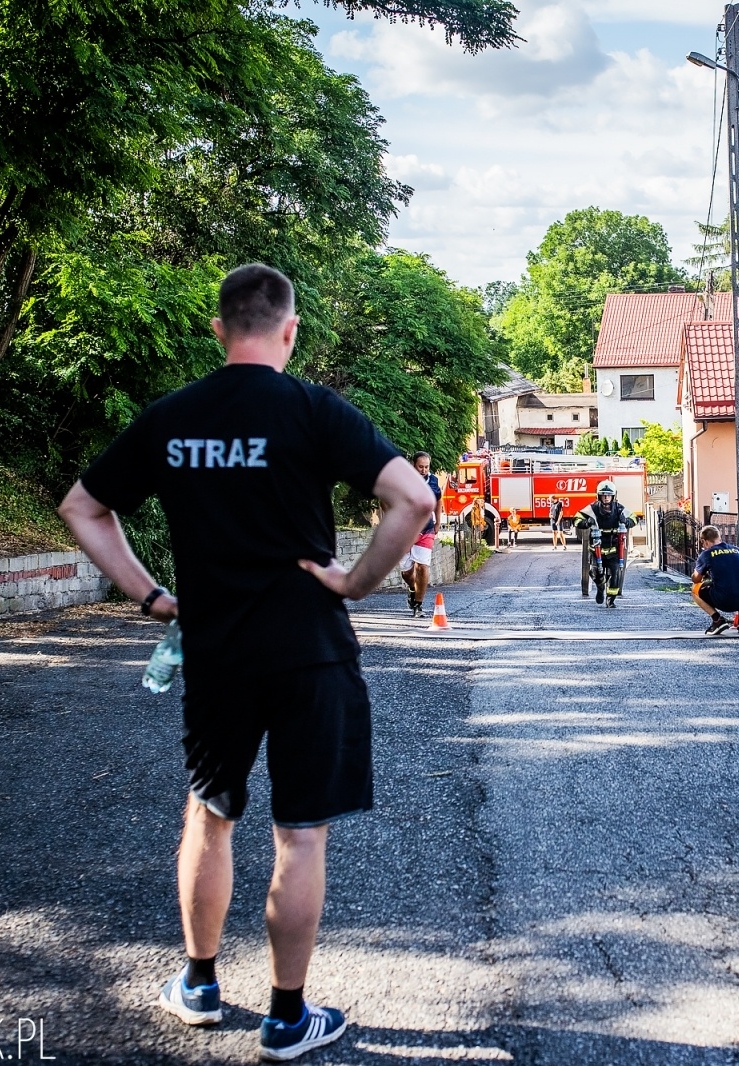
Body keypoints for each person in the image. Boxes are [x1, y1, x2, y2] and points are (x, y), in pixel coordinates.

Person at [57, 264, 434, 1062]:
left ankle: (199, 986)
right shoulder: (314, 410)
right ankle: (286, 1018)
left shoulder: (173, 417)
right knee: (300, 836)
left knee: (209, 813)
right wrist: (354, 583)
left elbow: (82, 506)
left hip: (217, 653)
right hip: (311, 653)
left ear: (219, 329)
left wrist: (152, 597)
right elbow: (413, 500)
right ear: (290, 330)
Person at [573, 480, 636, 607]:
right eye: (603, 495)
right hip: (596, 548)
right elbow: (576, 519)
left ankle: (610, 600)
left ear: (613, 496)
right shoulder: (592, 508)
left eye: (609, 495)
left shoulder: (619, 509)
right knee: (596, 573)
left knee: (615, 576)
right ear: (599, 496)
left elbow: (634, 518)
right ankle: (600, 587)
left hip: (614, 549)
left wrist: (626, 521)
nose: (606, 497)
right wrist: (586, 523)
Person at [691, 525, 739, 635]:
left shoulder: (706, 554)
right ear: (719, 537)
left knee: (695, 590)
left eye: (702, 543)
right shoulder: (737, 550)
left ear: (705, 541)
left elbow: (696, 579)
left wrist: (699, 574)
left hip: (725, 601)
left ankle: (717, 620)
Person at [400, 452, 442, 618]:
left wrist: (438, 522)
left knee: (423, 566)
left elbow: (438, 500)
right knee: (406, 572)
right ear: (413, 465)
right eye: (420, 467)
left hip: (426, 530)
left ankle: (418, 604)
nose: (424, 470)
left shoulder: (433, 481)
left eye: (426, 467)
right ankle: (413, 588)